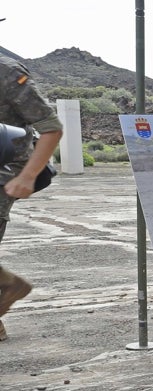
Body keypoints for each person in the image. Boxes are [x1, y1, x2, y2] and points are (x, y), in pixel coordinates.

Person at [0, 53, 64, 342]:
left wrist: (27, 176)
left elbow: (51, 128)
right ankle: (8, 285)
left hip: (5, 171)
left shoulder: (7, 72)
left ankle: (9, 284)